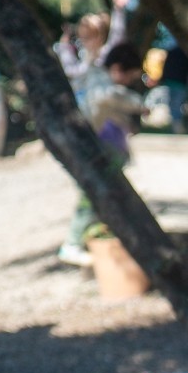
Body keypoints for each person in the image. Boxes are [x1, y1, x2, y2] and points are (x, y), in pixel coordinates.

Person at [58, 41, 145, 266]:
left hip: (85, 141)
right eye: (130, 77)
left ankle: (90, 237)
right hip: (82, 144)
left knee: (98, 191)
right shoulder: (100, 83)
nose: (128, 83)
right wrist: (138, 104)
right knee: (90, 193)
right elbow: (107, 98)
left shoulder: (94, 78)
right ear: (117, 68)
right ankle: (72, 244)